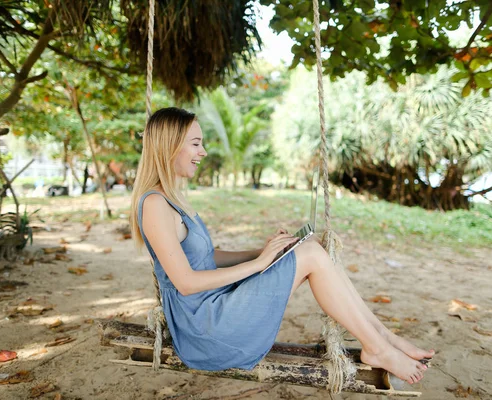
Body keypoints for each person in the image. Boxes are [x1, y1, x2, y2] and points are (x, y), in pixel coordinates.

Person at [130, 107, 434, 385]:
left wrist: (268, 252)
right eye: (195, 143)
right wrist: (259, 264)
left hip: (216, 308)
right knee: (312, 255)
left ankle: (383, 338)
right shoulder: (156, 204)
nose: (203, 151)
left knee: (313, 251)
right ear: (169, 145)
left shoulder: (173, 197)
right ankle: (378, 346)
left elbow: (205, 257)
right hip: (207, 329)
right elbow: (185, 282)